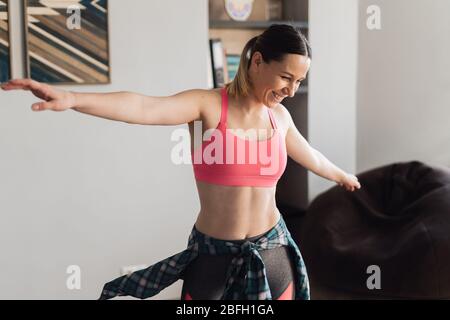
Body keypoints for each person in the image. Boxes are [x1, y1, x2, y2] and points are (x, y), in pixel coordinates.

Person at [1, 24, 361, 300]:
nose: (291, 90)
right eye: (286, 77)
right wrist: (72, 97)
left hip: (272, 253)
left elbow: (309, 154)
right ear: (256, 62)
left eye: (299, 81)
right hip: (213, 256)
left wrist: (343, 175)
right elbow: (143, 107)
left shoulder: (279, 118)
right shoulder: (207, 106)